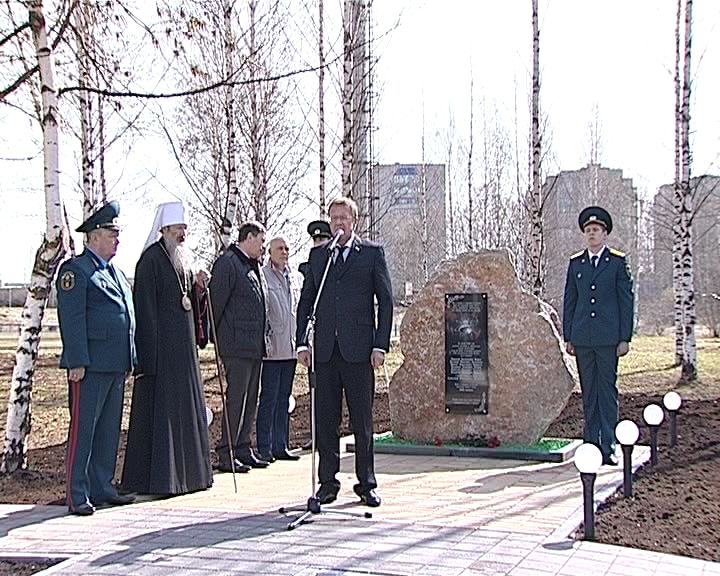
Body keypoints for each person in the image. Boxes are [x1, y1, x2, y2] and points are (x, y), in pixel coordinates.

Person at [296, 197, 393, 507]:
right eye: (333, 217)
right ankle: (327, 483)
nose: (338, 222)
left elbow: (386, 301)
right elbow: (306, 301)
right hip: (325, 352)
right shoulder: (319, 256)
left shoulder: (371, 254)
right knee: (326, 420)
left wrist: (380, 344)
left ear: (354, 221)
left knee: (361, 421)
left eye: (343, 218)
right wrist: (302, 342)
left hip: (359, 351)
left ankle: (366, 483)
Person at [121, 201, 213, 495]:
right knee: (161, 417)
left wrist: (199, 289)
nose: (182, 234)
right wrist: (149, 357)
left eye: (184, 228)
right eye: (178, 229)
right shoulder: (150, 261)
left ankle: (191, 476)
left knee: (185, 413)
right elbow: (145, 311)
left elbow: (187, 302)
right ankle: (163, 479)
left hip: (184, 353)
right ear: (164, 229)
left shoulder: (183, 260)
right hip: (161, 354)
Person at [56, 201, 136, 516]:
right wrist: (76, 360)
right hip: (89, 366)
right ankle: (77, 494)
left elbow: (126, 317)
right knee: (84, 431)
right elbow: (72, 318)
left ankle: (102, 487)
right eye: (111, 234)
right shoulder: (76, 270)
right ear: (93, 236)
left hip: (115, 363)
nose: (117, 240)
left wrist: (129, 358)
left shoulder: (115, 273)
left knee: (107, 431)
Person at [563, 206, 634, 466]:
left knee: (606, 391)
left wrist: (625, 337)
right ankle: (591, 442)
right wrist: (569, 336)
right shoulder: (576, 263)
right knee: (589, 392)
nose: (591, 234)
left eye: (596, 230)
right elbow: (570, 301)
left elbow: (626, 302)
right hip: (583, 338)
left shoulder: (616, 262)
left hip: (607, 339)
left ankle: (608, 445)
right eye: (588, 230)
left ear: (605, 234)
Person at [209, 221, 269, 472]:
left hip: (254, 345)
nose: (263, 247)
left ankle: (243, 446)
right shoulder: (228, 263)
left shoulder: (254, 266)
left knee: (251, 398)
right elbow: (216, 303)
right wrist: (216, 338)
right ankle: (227, 450)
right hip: (235, 345)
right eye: (261, 241)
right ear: (249, 237)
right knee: (237, 399)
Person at [256, 236, 303, 463]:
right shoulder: (263, 276)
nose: (284, 252)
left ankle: (280, 445)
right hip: (272, 350)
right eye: (279, 248)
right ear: (270, 252)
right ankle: (264, 447)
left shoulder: (295, 277)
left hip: (290, 349)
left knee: (284, 399)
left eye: (287, 248)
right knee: (269, 399)